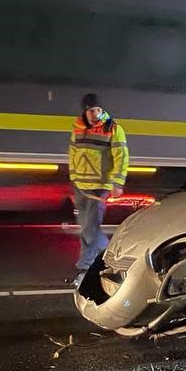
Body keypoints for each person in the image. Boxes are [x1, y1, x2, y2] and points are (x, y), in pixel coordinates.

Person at [68, 93, 129, 285]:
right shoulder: (77, 127)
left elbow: (121, 157)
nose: (95, 114)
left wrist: (117, 183)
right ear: (85, 111)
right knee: (87, 227)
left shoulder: (113, 128)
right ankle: (113, 255)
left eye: (98, 110)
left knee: (89, 229)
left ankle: (84, 268)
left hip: (99, 187)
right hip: (81, 187)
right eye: (91, 110)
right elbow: (73, 152)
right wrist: (73, 179)